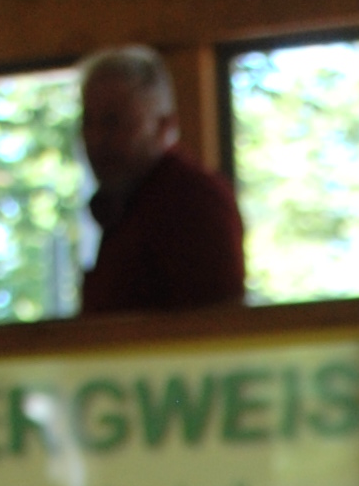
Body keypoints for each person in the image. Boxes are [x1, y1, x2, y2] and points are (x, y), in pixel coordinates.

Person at [78, 47, 243, 318]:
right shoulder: (125, 204)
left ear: (164, 126)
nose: (96, 139)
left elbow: (215, 329)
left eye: (113, 122)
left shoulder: (193, 201)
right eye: (87, 122)